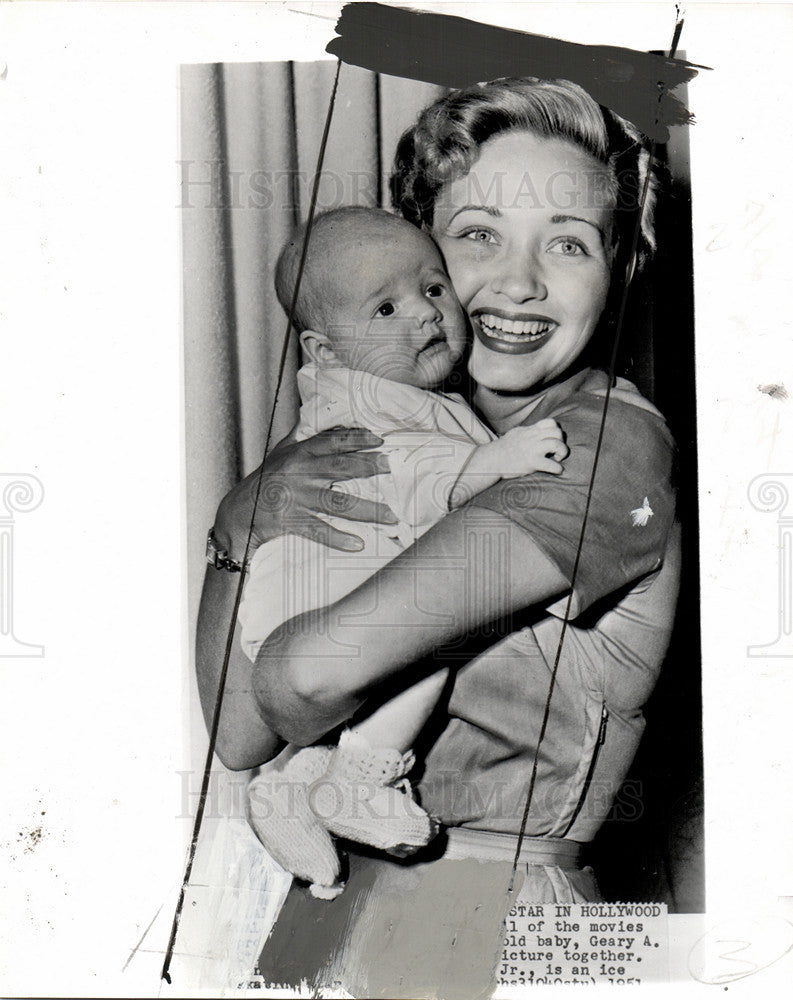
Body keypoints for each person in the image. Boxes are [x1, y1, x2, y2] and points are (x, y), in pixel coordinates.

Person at [195, 77, 682, 995]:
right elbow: (236, 736)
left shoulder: (601, 446)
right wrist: (238, 527)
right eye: (477, 234)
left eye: (568, 245)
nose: (518, 283)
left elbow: (303, 679)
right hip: (332, 913)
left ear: (617, 272)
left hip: (499, 930)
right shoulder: (415, 428)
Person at [239, 205, 569, 897]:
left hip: (314, 599)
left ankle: (294, 784)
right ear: (324, 352)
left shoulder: (389, 389)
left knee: (413, 639)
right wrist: (499, 459)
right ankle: (360, 779)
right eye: (385, 308)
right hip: (320, 593)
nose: (423, 314)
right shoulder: (363, 403)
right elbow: (403, 465)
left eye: (432, 289)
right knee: (435, 639)